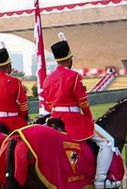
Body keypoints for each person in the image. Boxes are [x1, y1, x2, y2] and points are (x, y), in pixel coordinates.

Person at [40, 39, 117, 189]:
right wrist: (88, 119)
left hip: (54, 118)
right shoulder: (74, 76)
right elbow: (83, 102)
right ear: (69, 59)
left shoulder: (48, 78)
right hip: (72, 119)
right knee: (107, 142)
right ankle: (100, 181)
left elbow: (48, 104)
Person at [0, 48, 29, 131]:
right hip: (13, 122)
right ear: (8, 65)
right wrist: (23, 119)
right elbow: (23, 105)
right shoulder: (15, 81)